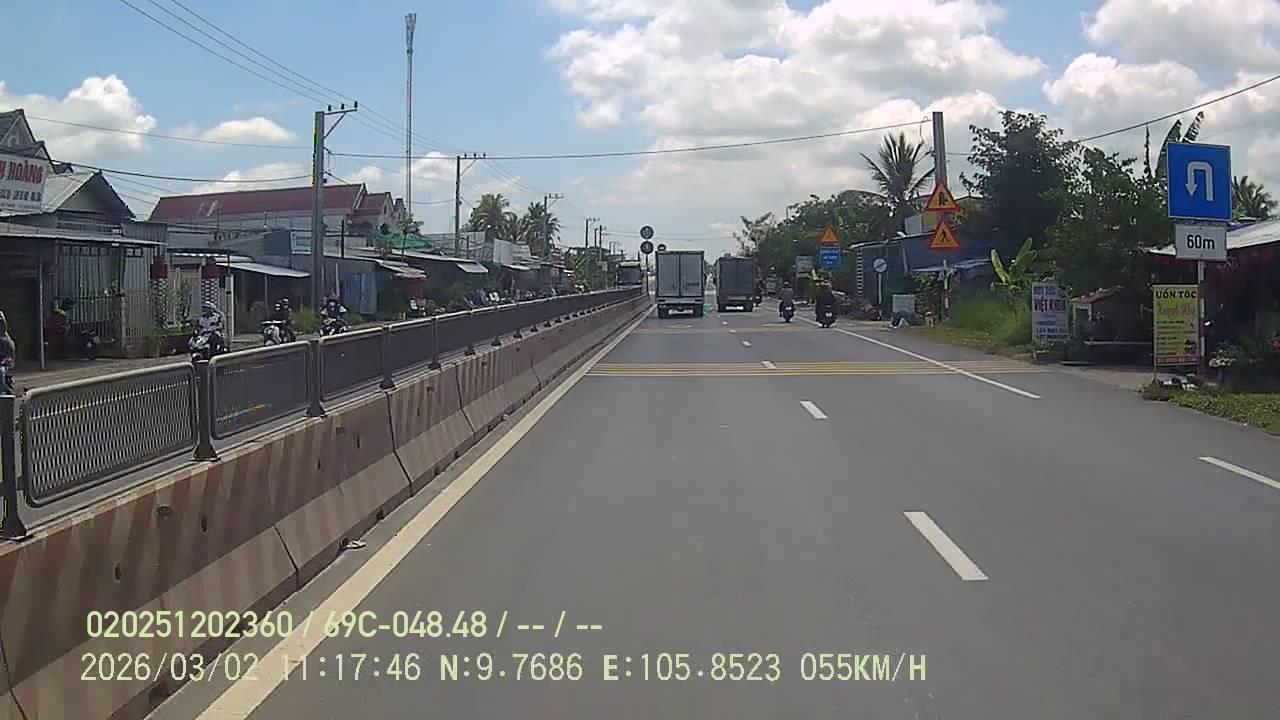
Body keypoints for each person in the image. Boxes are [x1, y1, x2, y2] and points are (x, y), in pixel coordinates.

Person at [0, 310, 16, 393]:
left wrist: (5, 362)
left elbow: (10, 357)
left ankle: (4, 390)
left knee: (1, 371)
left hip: (3, 364)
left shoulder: (7, 341)